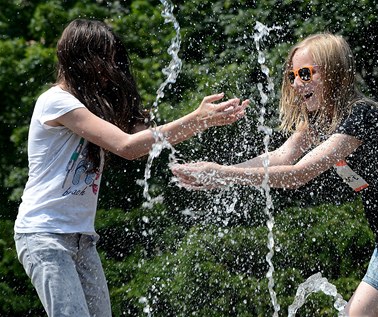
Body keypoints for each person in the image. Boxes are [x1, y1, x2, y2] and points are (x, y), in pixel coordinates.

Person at [171, 33, 378, 316]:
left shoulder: (361, 116)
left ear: (335, 72)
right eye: (292, 75)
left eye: (305, 74)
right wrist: (220, 175)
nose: (296, 83)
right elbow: (281, 157)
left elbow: (298, 174)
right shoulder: (319, 122)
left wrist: (222, 174)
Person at [14, 19, 249, 317]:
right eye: (105, 58)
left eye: (113, 59)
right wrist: (195, 118)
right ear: (82, 57)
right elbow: (126, 146)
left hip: (82, 239)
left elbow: (145, 138)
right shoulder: (56, 103)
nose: (110, 67)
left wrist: (206, 121)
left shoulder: (91, 105)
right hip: (44, 235)